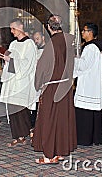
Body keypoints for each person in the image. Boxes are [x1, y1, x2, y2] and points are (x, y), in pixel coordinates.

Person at [33, 15, 77, 164]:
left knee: (49, 120)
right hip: (65, 85)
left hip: (52, 87)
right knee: (62, 120)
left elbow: (42, 67)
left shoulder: (52, 44)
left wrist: (38, 83)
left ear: (48, 27)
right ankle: (61, 151)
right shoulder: (69, 41)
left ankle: (49, 156)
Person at [0, 18, 37, 147]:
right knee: (12, 109)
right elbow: (9, 59)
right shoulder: (13, 44)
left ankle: (28, 132)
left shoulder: (30, 44)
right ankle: (17, 136)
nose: (11, 31)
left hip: (22, 82)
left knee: (20, 110)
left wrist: (11, 60)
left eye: (13, 28)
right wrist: (5, 59)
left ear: (20, 27)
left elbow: (28, 64)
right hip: (12, 81)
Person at [73, 22, 102, 146]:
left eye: (84, 30)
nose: (82, 32)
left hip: (88, 86)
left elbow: (83, 65)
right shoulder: (93, 47)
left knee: (85, 112)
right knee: (92, 113)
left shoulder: (91, 48)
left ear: (90, 33)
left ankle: (84, 139)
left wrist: (73, 60)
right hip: (91, 84)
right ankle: (93, 138)